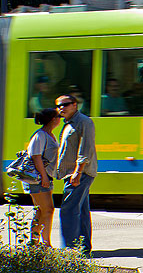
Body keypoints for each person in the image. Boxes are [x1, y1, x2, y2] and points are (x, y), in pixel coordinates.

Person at [54, 94, 97, 255]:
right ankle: (84, 248)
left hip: (80, 173)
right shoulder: (68, 123)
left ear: (75, 105)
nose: (61, 108)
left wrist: (77, 173)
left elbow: (85, 149)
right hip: (73, 173)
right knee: (82, 210)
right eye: (58, 106)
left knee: (68, 210)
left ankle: (68, 250)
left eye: (65, 104)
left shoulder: (83, 122)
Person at [23, 108, 59, 246]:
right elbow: (36, 156)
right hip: (38, 178)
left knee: (41, 210)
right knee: (48, 209)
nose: (60, 119)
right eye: (57, 116)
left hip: (45, 177)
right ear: (52, 119)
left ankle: (34, 242)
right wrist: (44, 176)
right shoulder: (40, 135)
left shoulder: (49, 135)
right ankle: (45, 243)